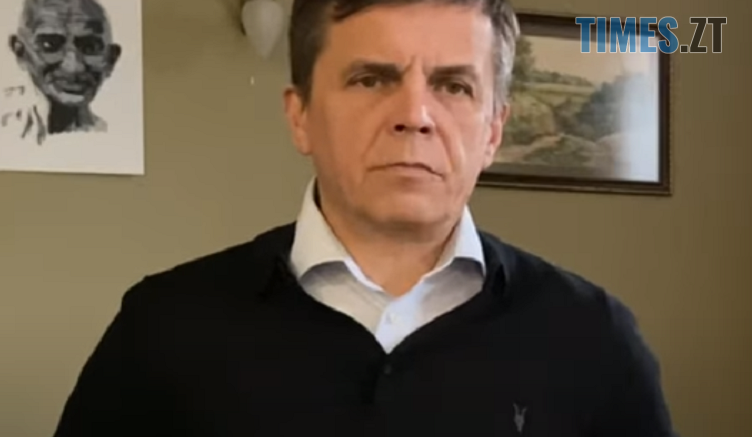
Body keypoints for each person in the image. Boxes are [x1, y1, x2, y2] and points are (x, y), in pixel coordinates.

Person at [52, 1, 678, 436]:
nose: (415, 116)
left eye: (454, 86)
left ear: (493, 131)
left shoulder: (594, 338)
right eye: (372, 79)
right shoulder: (163, 328)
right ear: (300, 116)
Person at [2, 0, 121, 145]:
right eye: (49, 45)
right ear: (20, 52)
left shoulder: (114, 138)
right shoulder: (0, 127)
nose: (73, 67)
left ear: (110, 59)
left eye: (90, 47)